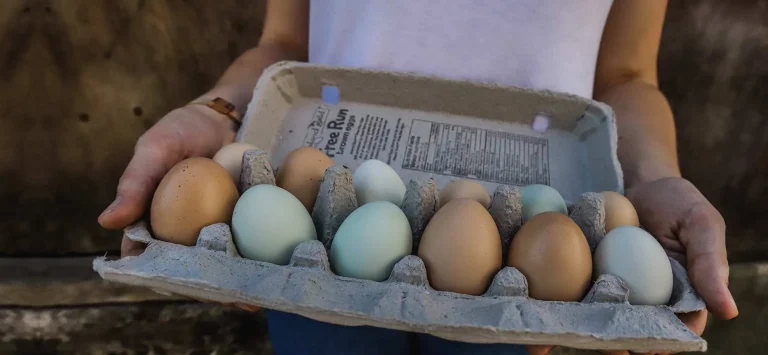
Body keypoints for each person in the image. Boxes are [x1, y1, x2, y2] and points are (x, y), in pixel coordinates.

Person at [98, 1, 739, 354]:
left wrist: (655, 178)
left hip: (522, 278)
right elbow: (284, 42)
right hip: (322, 242)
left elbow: (627, 78)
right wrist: (218, 109)